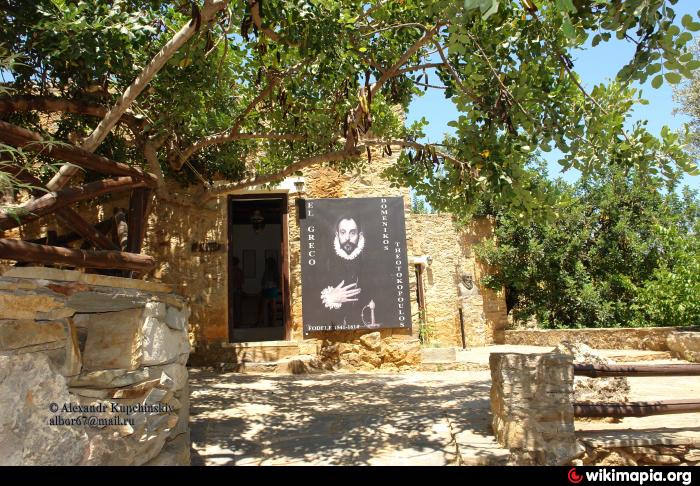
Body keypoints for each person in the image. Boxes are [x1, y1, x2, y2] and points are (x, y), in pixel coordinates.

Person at [257, 257, 280, 327]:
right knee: (273, 307)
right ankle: (273, 322)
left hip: (268, 289)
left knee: (264, 306)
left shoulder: (267, 271)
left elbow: (263, 281)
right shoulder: (275, 271)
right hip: (273, 289)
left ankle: (262, 322)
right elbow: (277, 281)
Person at [231, 256, 244, 327]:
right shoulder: (239, 271)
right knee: (238, 306)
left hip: (234, 290)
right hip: (238, 290)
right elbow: (242, 281)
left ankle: (235, 322)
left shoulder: (230, 271)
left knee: (233, 306)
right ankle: (238, 322)